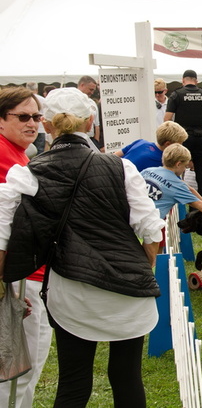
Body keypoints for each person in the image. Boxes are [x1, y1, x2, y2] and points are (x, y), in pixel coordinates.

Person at [0, 87, 164, 407]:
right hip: (128, 287)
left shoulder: (26, 174)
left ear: (47, 125)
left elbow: (3, 237)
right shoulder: (122, 168)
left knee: (74, 382)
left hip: (70, 288)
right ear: (91, 122)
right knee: (127, 377)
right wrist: (145, 270)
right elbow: (150, 230)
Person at [0, 87, 50, 408]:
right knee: (18, 370)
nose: (32, 123)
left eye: (36, 116)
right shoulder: (5, 155)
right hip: (19, 279)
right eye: (22, 117)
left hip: (27, 274)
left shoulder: (17, 153)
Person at [164, 69, 202, 202]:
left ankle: (177, 203)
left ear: (183, 81)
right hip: (200, 138)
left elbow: (167, 119)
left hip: (181, 139)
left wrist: (172, 139)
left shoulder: (176, 94)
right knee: (201, 173)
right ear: (196, 81)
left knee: (175, 169)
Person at [114, 120, 189, 172]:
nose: (181, 146)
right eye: (180, 144)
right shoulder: (165, 161)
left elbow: (113, 156)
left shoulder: (140, 142)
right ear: (168, 144)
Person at [77, 75, 102, 151]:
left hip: (91, 140)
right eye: (90, 89)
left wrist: (96, 141)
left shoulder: (92, 103)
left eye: (93, 90)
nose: (91, 92)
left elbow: (97, 125)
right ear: (82, 85)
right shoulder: (71, 102)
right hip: (78, 140)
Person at [25, 81, 47, 155]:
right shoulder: (43, 100)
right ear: (37, 89)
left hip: (27, 127)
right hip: (41, 128)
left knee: (27, 151)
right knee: (40, 152)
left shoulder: (24, 100)